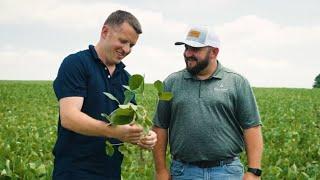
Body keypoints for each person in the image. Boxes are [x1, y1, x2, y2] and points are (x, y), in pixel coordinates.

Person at [52, 10, 157, 179]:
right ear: (105, 32)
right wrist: (114, 131)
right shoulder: (76, 64)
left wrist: (144, 136)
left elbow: (131, 125)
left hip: (111, 173)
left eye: (131, 45)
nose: (126, 49)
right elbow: (69, 117)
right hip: (74, 172)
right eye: (123, 41)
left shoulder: (127, 79)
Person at [152, 26, 263, 180]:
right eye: (186, 48)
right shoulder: (172, 83)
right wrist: (161, 170)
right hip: (183, 172)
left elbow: (251, 126)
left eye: (195, 49)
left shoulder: (236, 82)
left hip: (227, 171)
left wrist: (253, 172)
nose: (187, 54)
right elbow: (160, 127)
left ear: (214, 52)